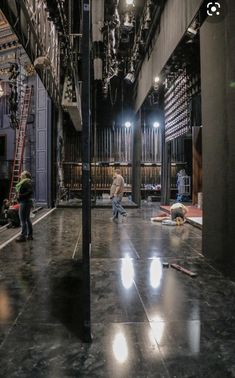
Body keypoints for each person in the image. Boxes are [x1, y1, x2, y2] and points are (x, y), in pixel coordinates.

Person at [15, 171, 33, 242]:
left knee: (22, 220)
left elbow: (30, 191)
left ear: (25, 175)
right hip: (26, 201)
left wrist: (20, 196)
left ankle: (23, 236)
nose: (20, 175)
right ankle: (29, 235)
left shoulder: (26, 182)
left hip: (24, 202)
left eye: (22, 174)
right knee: (27, 219)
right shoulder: (26, 182)